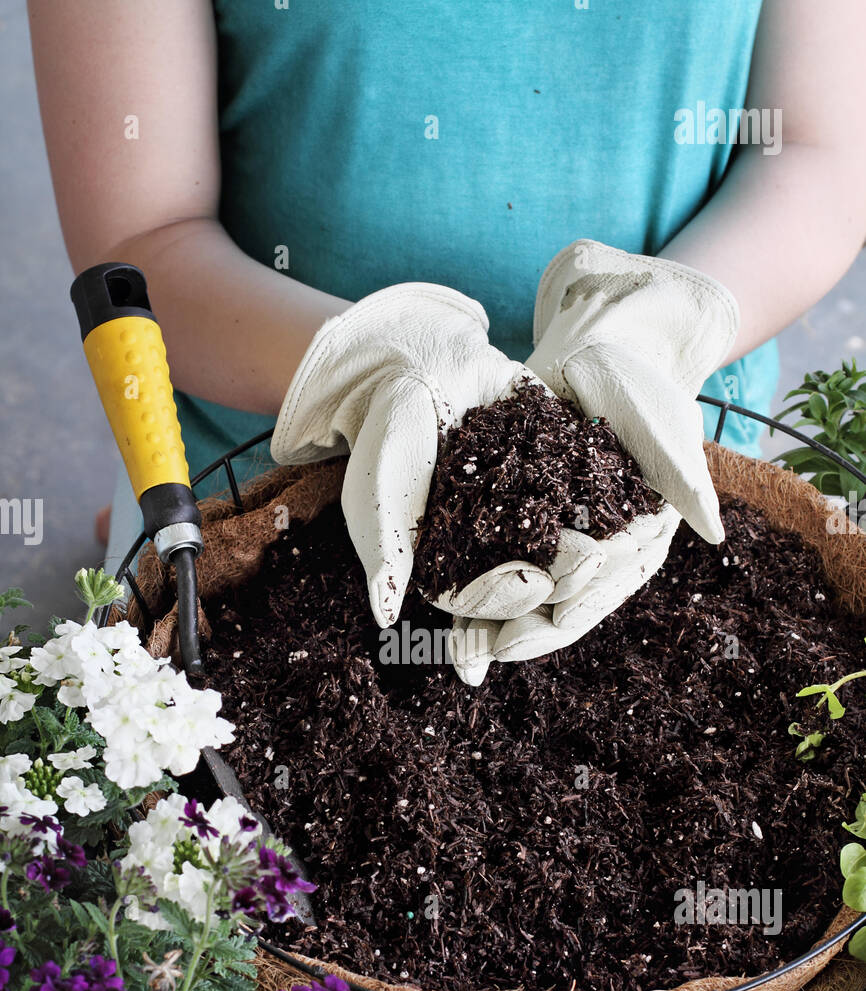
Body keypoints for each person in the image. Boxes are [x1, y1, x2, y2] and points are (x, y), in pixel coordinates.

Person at [29, 1, 866, 682]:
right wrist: (362, 365)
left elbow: (812, 150)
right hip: (276, 504)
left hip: (662, 466)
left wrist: (652, 328)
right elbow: (142, 235)